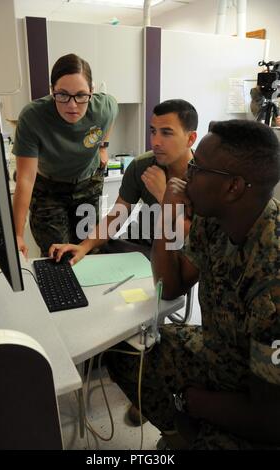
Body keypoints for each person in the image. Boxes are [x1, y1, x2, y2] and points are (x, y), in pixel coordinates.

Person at [105, 119, 280, 450]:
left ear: (233, 187)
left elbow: (270, 419)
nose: (186, 178)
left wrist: (192, 401)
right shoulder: (214, 221)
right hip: (219, 351)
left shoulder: (272, 280)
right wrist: (166, 215)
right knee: (126, 352)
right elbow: (170, 287)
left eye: (197, 168)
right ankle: (176, 436)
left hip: (258, 397)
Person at [49, 99, 197, 264]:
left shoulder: (206, 176)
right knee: (95, 257)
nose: (155, 142)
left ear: (190, 138)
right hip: (141, 247)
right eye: (153, 131)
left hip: (180, 253)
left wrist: (163, 195)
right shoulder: (141, 166)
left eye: (167, 133)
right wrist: (84, 246)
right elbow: (117, 215)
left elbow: (194, 238)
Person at [12, 53, 118, 257]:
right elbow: (25, 179)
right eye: (62, 95)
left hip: (88, 184)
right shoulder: (33, 117)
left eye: (81, 95)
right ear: (52, 91)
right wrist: (17, 235)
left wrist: (103, 146)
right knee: (56, 255)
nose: (72, 105)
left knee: (88, 251)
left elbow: (114, 112)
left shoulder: (104, 108)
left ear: (92, 91)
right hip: (49, 189)